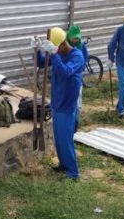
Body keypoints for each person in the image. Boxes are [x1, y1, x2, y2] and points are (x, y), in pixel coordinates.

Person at [32, 27, 85, 180]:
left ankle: (73, 172)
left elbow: (65, 71)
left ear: (62, 44)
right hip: (57, 101)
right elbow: (41, 63)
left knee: (65, 139)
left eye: (56, 48)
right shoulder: (58, 53)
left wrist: (54, 54)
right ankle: (64, 164)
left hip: (67, 104)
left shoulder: (77, 56)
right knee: (59, 138)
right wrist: (36, 50)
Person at [66, 25, 88, 130]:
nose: (76, 40)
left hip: (77, 79)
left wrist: (80, 67)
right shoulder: (64, 45)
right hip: (67, 79)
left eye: (77, 38)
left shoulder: (81, 46)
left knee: (78, 103)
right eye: (74, 38)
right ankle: (69, 123)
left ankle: (76, 123)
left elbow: (85, 57)